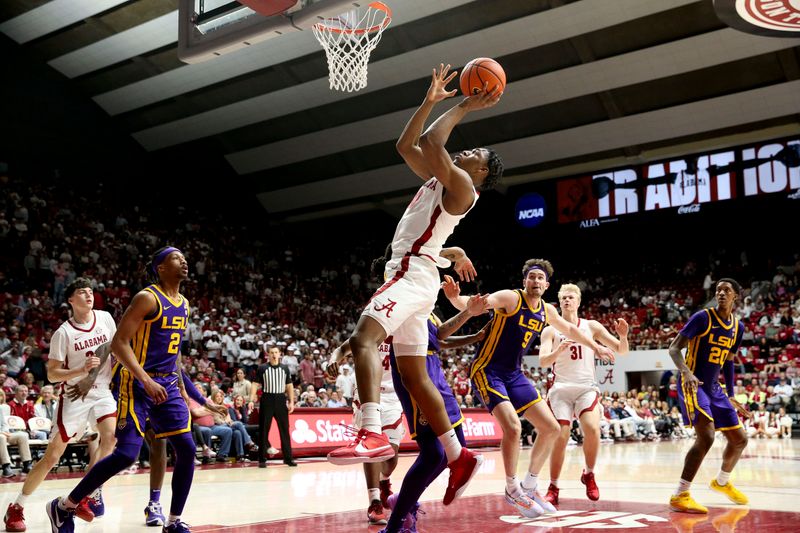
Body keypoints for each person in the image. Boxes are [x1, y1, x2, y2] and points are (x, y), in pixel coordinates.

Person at [327, 63, 503, 508]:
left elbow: (431, 142)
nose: (466, 155)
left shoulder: (462, 187)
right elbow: (407, 144)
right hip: (416, 272)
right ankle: (457, 454)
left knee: (362, 339)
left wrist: (464, 103)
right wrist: (429, 100)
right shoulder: (438, 179)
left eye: (475, 156)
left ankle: (369, 431)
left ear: (480, 174)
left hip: (410, 274)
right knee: (412, 373)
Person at [443, 260, 616, 517]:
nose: (535, 281)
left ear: (546, 285)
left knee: (552, 428)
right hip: (487, 371)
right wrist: (456, 300)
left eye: (540, 278)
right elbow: (474, 303)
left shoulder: (547, 311)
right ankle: (513, 489)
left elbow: (570, 329)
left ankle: (530, 486)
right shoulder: (510, 298)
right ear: (524, 281)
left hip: (514, 374)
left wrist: (597, 347)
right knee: (513, 427)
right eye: (531, 277)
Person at [46, 246, 196, 533]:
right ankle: (65, 506)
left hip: (166, 384)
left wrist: (182, 385)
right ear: (161, 267)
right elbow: (118, 343)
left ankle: (174, 521)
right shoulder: (147, 298)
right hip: (136, 384)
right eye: (177, 258)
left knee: (187, 449)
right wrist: (146, 380)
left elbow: (174, 351)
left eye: (184, 258)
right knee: (127, 454)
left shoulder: (185, 303)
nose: (184, 261)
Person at [5, 278, 118, 532]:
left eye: (91, 292)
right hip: (75, 396)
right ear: (70, 299)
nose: (89, 296)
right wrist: (80, 369)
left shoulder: (105, 318)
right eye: (82, 292)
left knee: (110, 439)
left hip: (101, 392)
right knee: (52, 457)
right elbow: (53, 374)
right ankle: (16, 506)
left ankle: (88, 493)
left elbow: (116, 347)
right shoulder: (63, 333)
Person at [380, 300, 489, 533]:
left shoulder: (427, 309)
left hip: (435, 371)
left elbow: (439, 338)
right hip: (415, 372)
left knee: (457, 448)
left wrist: (474, 335)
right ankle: (395, 524)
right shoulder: (402, 305)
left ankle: (404, 500)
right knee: (433, 454)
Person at [538, 283, 629, 504]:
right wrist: (558, 351)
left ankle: (589, 473)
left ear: (578, 302)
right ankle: (554, 486)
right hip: (560, 389)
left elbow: (621, 350)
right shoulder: (551, 329)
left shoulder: (592, 326)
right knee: (561, 436)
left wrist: (623, 336)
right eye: (563, 298)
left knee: (592, 428)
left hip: (586, 387)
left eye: (571, 297)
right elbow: (542, 361)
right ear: (559, 303)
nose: (567, 301)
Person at [668, 278, 750, 514]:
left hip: (714, 387)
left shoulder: (738, 327)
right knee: (706, 436)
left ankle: (721, 482)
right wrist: (687, 373)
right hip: (693, 383)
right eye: (718, 291)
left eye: (726, 290)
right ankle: (680, 494)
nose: (721, 293)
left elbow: (730, 361)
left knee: (740, 440)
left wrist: (732, 394)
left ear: (736, 295)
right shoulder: (702, 317)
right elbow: (674, 348)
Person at [256, 346, 296, 467]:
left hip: (280, 399)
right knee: (264, 429)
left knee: (284, 429)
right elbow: (254, 384)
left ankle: (288, 458)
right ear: (268, 354)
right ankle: (262, 459)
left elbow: (289, 386)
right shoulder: (262, 368)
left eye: (276, 352)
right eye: (272, 353)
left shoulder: (284, 368)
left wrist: (291, 402)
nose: (274, 355)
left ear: (280, 354)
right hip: (267, 398)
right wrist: (252, 399)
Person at [0, 389, 32, 479]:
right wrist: (2, 432)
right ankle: (6, 467)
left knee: (22, 435)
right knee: (1, 437)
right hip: (0, 435)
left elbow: (4, 424)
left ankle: (27, 464)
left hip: (3, 433)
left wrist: (5, 431)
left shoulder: (0, 408)